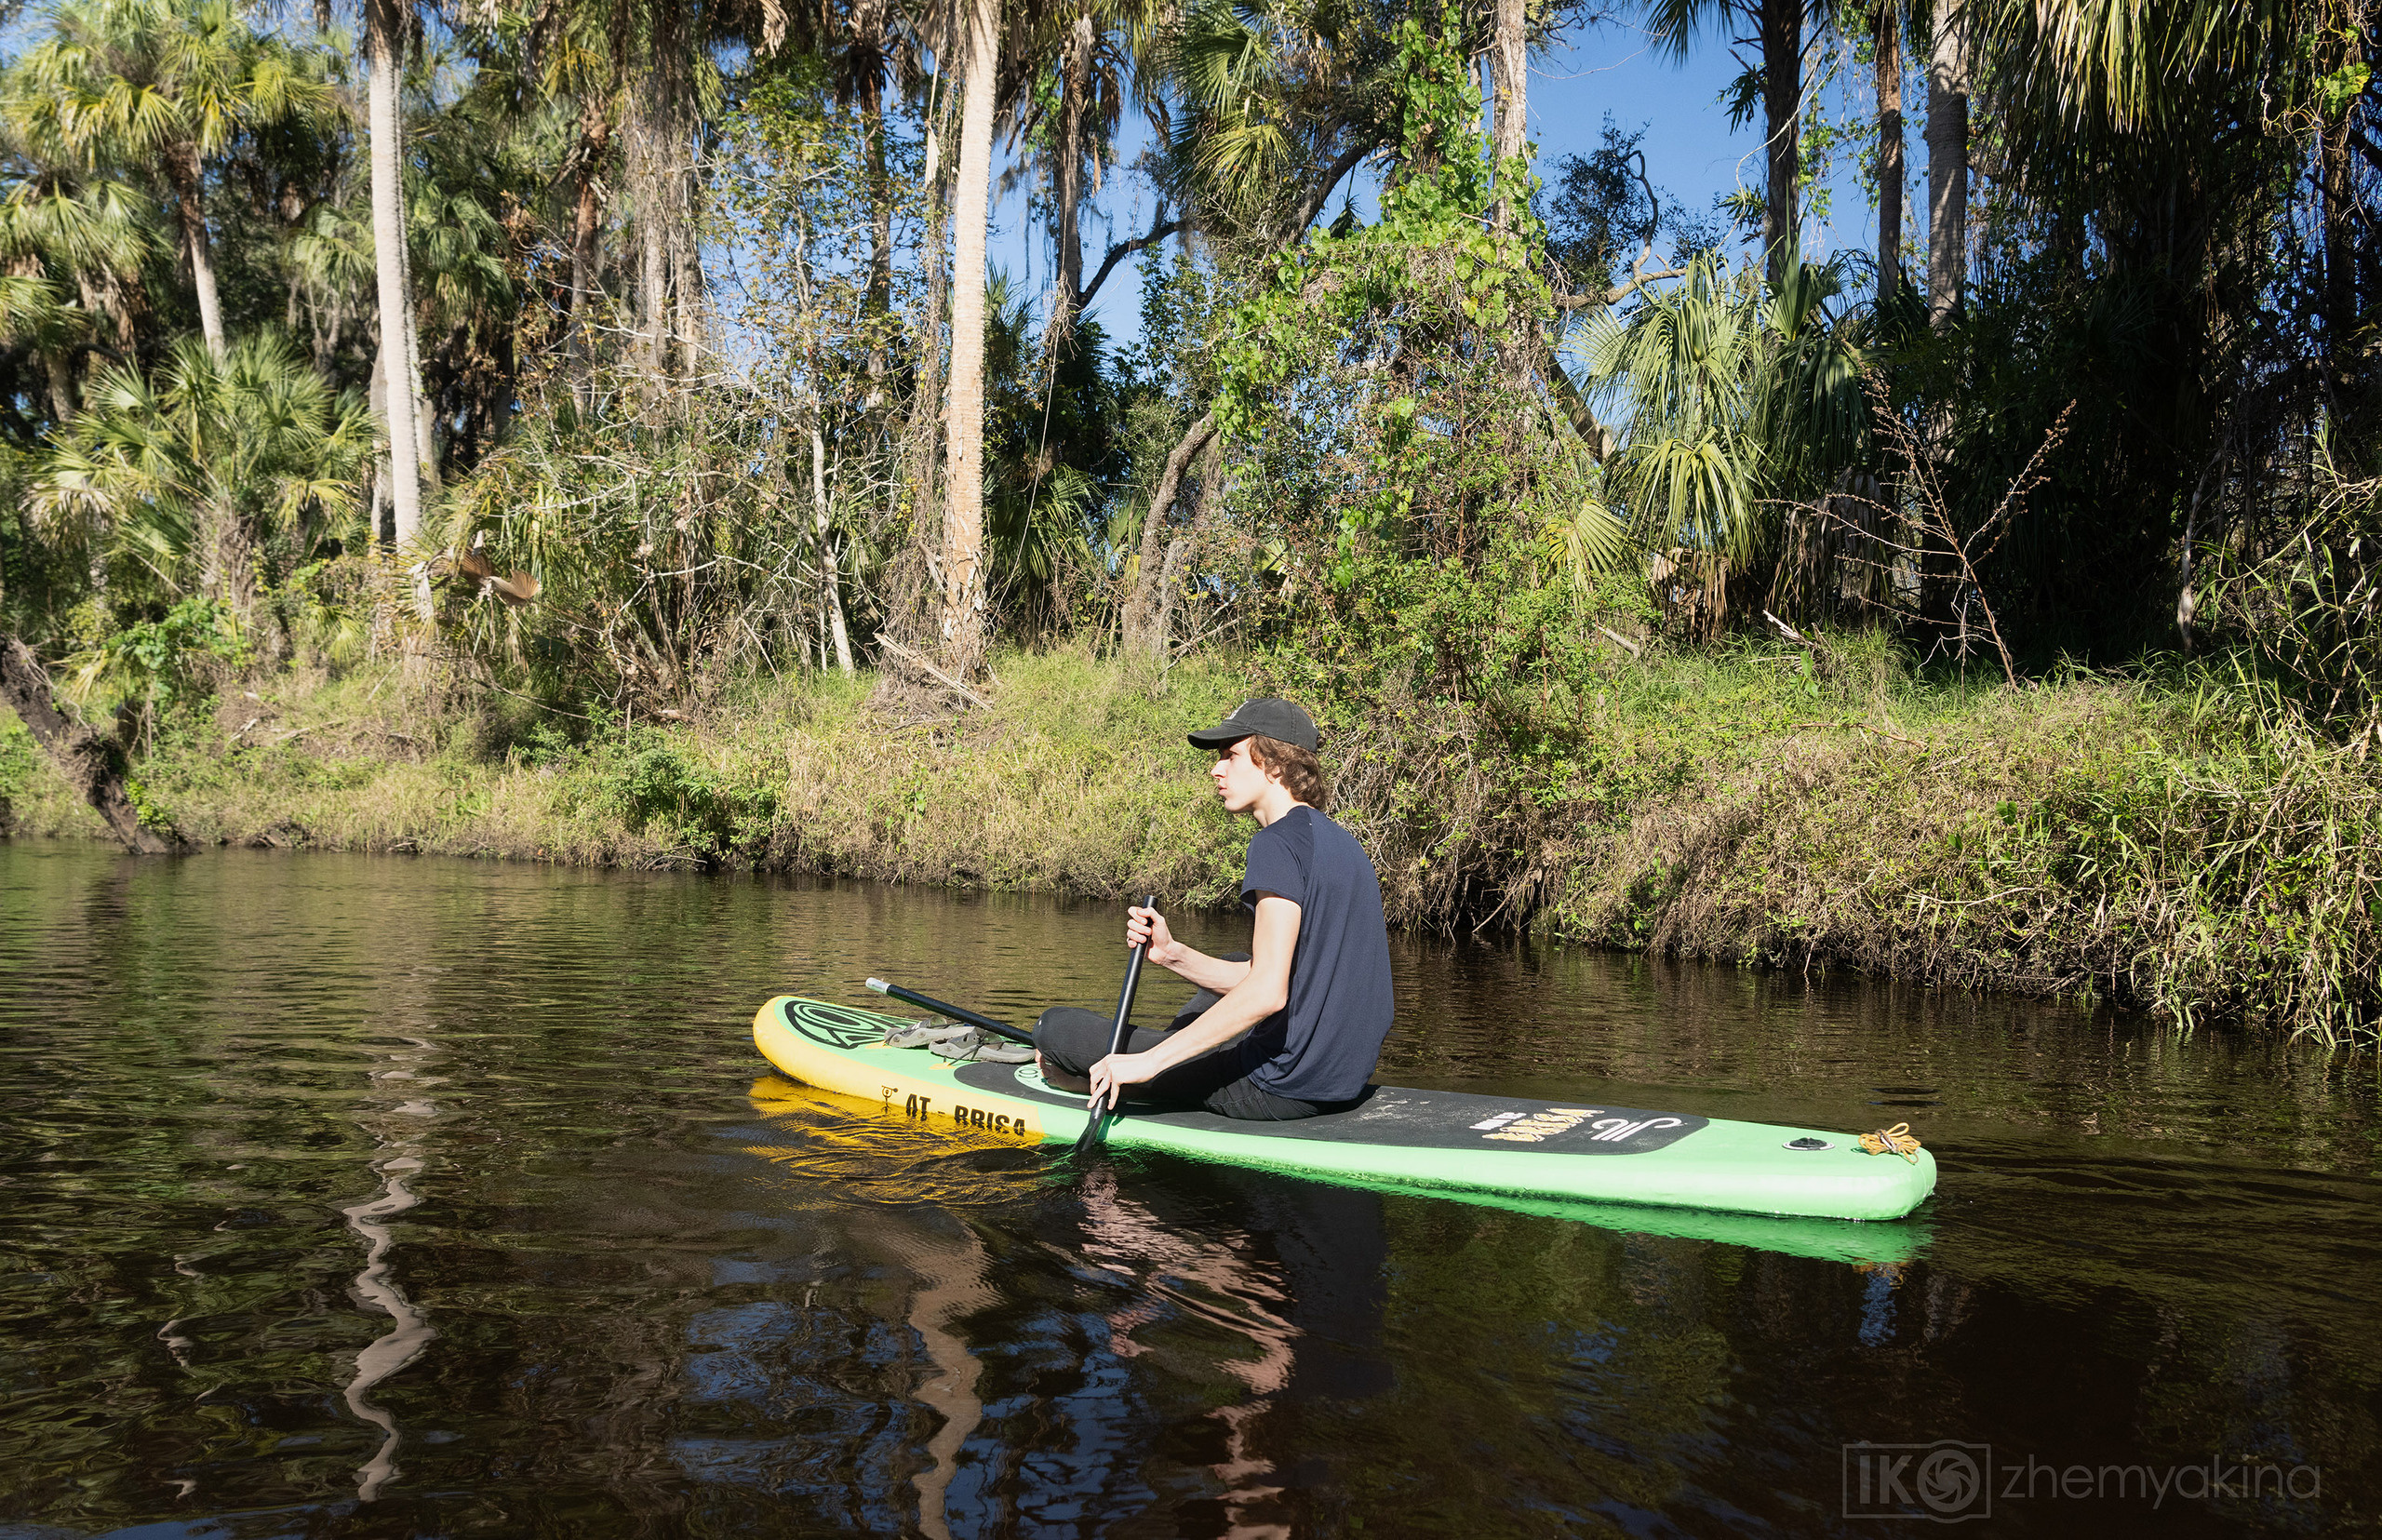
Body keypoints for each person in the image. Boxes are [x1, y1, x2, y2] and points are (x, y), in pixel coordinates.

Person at [1033, 698, 1395, 1121]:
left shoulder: (1275, 844)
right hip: (1340, 1080)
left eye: (1231, 755)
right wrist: (1171, 954)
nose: (1216, 769)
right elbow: (1281, 975)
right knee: (1237, 961)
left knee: (1054, 1029)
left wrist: (1149, 1063)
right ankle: (1167, 1062)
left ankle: (1133, 1078)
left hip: (1278, 1086)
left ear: (1276, 764)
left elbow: (1267, 992)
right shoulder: (1343, 843)